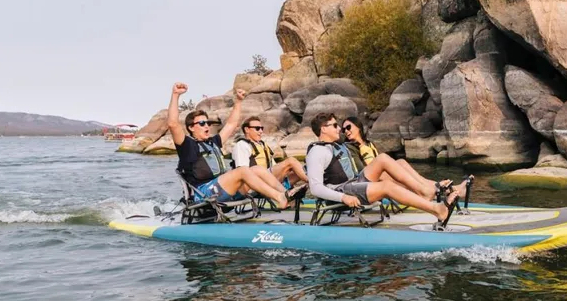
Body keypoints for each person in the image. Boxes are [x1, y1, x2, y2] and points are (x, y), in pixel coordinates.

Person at [305, 112, 459, 228]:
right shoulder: (317, 152)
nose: (339, 129)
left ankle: (424, 192)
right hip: (341, 191)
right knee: (387, 186)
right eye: (334, 125)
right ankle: (437, 210)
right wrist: (343, 198)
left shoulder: (335, 146)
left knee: (383, 158)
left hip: (352, 183)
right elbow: (316, 188)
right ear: (323, 129)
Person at [167, 82, 296, 209]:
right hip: (203, 194)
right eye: (201, 123)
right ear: (191, 128)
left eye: (207, 123)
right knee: (242, 170)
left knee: (257, 169)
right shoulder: (187, 146)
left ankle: (285, 194)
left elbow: (231, 124)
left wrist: (238, 102)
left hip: (222, 189)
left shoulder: (213, 142)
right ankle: (279, 198)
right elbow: (173, 124)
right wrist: (175, 95)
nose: (206, 125)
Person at [341, 115, 472, 199]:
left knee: (402, 162)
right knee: (396, 171)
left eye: (348, 127)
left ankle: (439, 188)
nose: (346, 131)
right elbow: (359, 169)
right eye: (343, 130)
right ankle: (440, 190)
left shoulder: (369, 144)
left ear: (358, 127)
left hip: (379, 176)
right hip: (367, 181)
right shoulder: (350, 147)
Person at [231, 116, 308, 188]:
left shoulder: (263, 145)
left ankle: (286, 189)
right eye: (257, 128)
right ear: (247, 129)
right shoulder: (242, 145)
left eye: (261, 128)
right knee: (291, 161)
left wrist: (286, 170)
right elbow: (242, 172)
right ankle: (311, 183)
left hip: (269, 179)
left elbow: (273, 166)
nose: (261, 131)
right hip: (255, 183)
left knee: (303, 170)